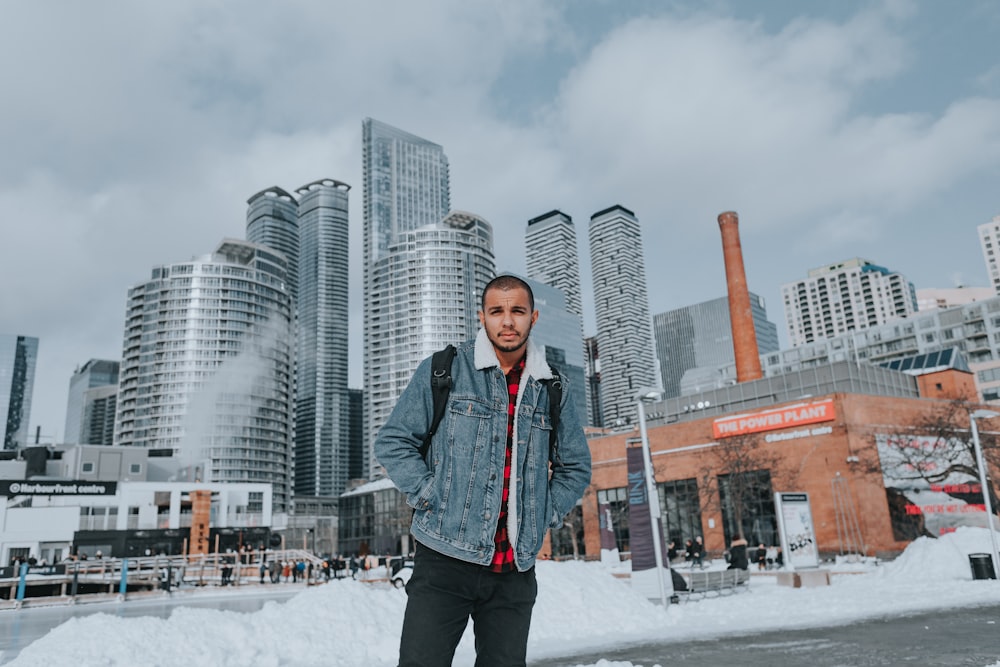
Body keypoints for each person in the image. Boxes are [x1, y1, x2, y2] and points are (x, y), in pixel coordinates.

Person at [375, 274, 592, 667]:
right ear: (482, 317)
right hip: (443, 559)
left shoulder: (552, 387)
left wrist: (543, 514)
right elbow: (393, 441)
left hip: (513, 571)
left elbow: (574, 466)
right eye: (497, 311)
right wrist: (430, 496)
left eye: (517, 311)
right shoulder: (445, 370)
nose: (507, 321)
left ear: (533, 317)